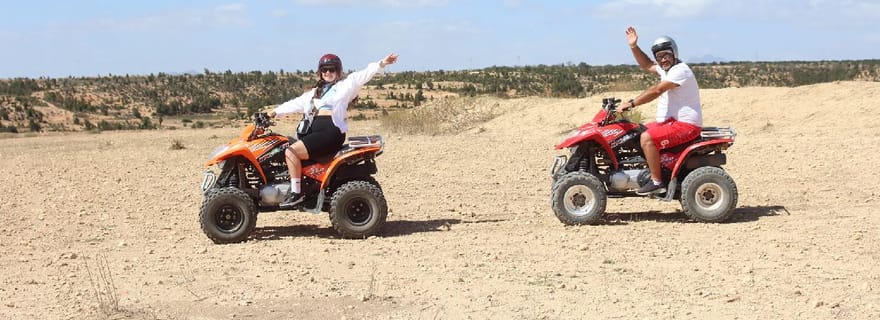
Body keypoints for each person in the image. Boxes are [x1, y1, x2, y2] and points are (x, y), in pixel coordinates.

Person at [267, 52, 399, 207]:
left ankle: (297, 193)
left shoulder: (345, 85)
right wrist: (273, 112)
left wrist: (382, 63)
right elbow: (294, 103)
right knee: (283, 146)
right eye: (324, 70)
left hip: (330, 131)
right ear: (320, 72)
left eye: (331, 69)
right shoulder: (315, 93)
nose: (328, 73)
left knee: (291, 152)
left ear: (338, 71)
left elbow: (363, 75)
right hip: (315, 133)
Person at [618, 26, 702, 195]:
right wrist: (634, 46)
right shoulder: (666, 70)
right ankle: (655, 169)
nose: (662, 60)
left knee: (647, 138)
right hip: (670, 123)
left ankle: (657, 182)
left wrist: (632, 103)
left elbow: (657, 90)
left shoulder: (680, 70)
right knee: (636, 131)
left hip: (685, 125)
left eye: (666, 55)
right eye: (659, 57)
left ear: (674, 53)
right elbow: (648, 65)